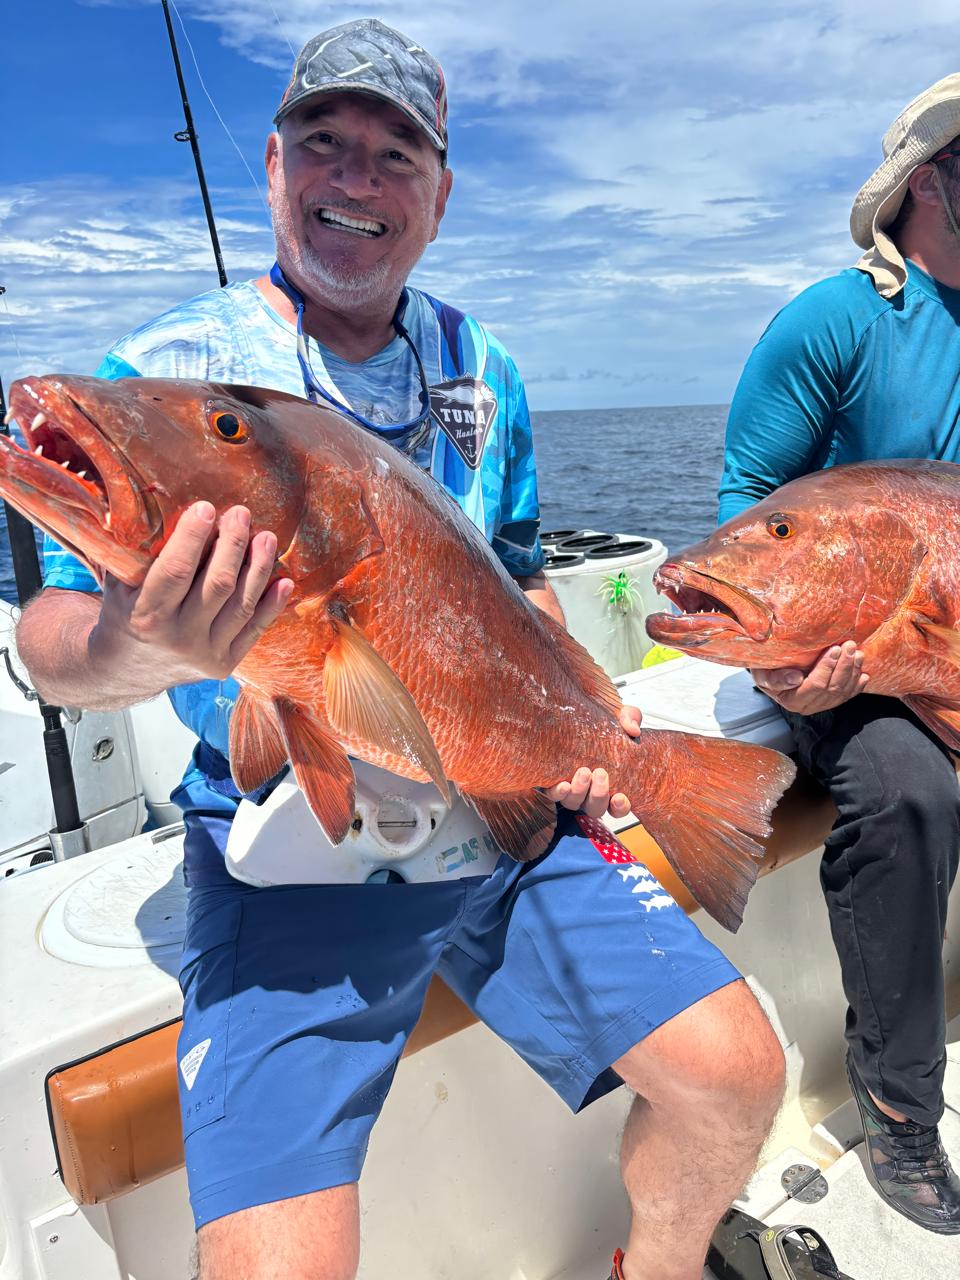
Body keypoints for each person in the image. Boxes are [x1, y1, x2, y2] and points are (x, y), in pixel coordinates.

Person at [17, 19, 784, 1280]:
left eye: (394, 154)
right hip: (281, 848)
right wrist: (127, 636)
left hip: (494, 819)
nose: (354, 180)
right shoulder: (158, 371)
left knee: (738, 1072)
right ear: (272, 167)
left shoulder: (487, 369)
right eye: (324, 144)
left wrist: (582, 741)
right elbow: (51, 646)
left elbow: (521, 585)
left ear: (438, 195)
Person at [718, 74, 960, 1235]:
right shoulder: (838, 320)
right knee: (906, 790)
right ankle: (900, 1108)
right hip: (852, 660)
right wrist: (793, 666)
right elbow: (742, 517)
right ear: (930, 182)